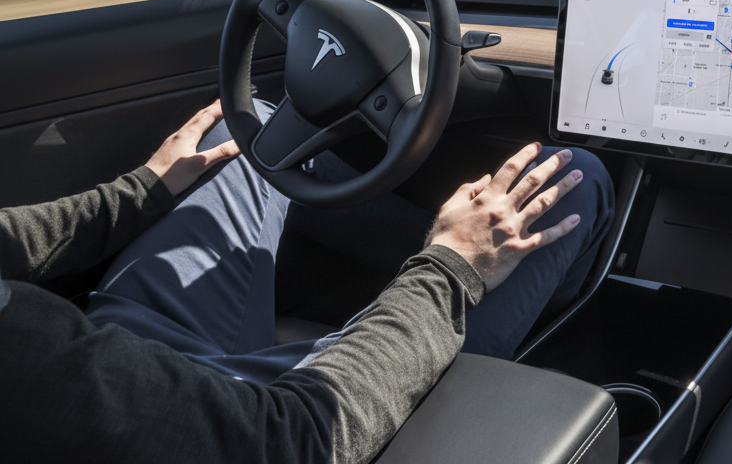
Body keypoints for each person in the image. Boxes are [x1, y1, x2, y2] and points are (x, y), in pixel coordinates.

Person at [0, 100, 614, 463]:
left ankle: (440, 275)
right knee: (572, 181)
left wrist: (137, 194)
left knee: (246, 135)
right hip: (261, 423)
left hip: (116, 355)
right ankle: (475, 293)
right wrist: (451, 267)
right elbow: (296, 439)